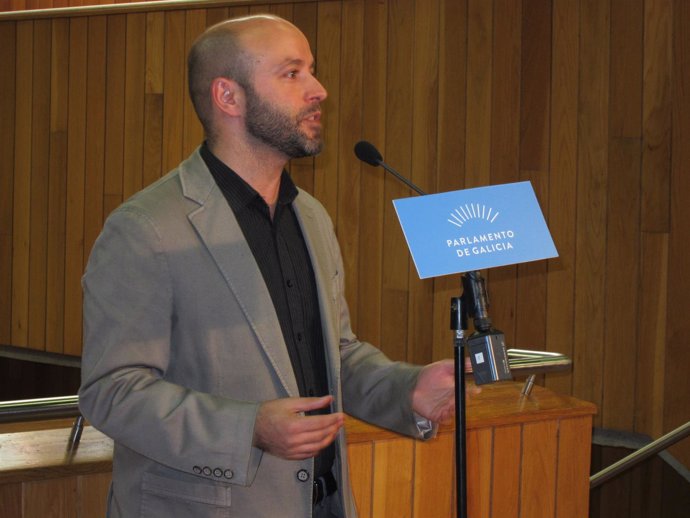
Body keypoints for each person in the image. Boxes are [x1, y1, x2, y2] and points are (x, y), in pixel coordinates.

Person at [79, 14, 455, 518]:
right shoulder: (146, 227)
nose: (319, 90)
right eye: (292, 73)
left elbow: (333, 355)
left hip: (323, 504)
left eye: (312, 71)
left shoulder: (311, 218)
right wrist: (248, 427)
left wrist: (406, 390)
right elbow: (112, 392)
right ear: (228, 97)